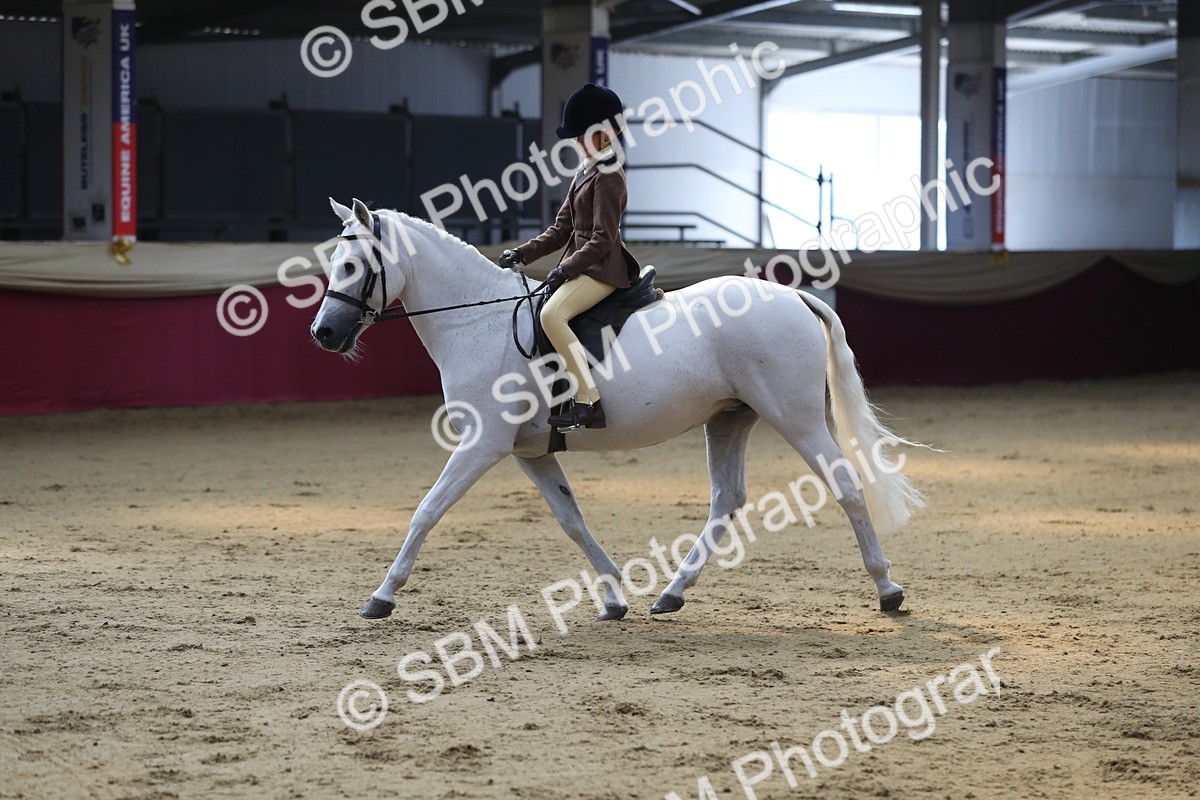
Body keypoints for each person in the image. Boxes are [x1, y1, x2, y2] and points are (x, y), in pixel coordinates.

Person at [499, 83, 637, 431]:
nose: (576, 141)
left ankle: (589, 401)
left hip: (603, 270)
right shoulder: (586, 171)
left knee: (552, 315)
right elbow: (561, 230)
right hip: (583, 267)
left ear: (607, 133)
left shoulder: (610, 175)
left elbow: (603, 239)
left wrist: (565, 269)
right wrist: (522, 254)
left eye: (582, 135)